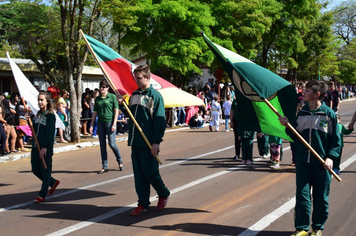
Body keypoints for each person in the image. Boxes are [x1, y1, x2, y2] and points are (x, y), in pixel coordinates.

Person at [279, 80, 341, 236]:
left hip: (322, 164)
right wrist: (287, 126)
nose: (303, 93)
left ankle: (318, 227)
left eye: (306, 91)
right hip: (303, 163)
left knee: (321, 198)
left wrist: (331, 158)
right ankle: (302, 228)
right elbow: (296, 136)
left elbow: (336, 141)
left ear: (316, 94)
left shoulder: (329, 114)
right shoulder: (302, 113)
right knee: (302, 196)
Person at [117, 65, 170, 216]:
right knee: (139, 175)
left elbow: (160, 121)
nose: (136, 80)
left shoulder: (155, 96)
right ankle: (143, 204)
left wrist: (156, 142)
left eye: (139, 78)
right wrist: (122, 105)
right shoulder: (134, 94)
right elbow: (130, 114)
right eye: (135, 78)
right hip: (135, 141)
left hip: (148, 142)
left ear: (147, 78)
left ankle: (163, 193)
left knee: (150, 172)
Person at [31, 92, 60, 203]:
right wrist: (30, 120)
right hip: (35, 146)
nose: (40, 102)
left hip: (45, 148)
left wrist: (45, 147)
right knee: (35, 169)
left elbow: (49, 133)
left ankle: (42, 194)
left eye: (42, 100)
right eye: (38, 100)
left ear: (47, 101)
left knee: (45, 170)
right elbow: (34, 129)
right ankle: (52, 182)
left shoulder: (50, 116)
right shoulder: (38, 114)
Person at [89, 80, 123, 174]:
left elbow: (116, 111)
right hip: (100, 123)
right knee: (102, 146)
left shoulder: (112, 97)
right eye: (100, 87)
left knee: (112, 144)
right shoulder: (98, 99)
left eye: (103, 87)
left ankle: (119, 160)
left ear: (108, 87)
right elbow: (95, 112)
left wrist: (114, 124)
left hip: (110, 123)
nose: (101, 89)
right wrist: (91, 125)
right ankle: (105, 165)